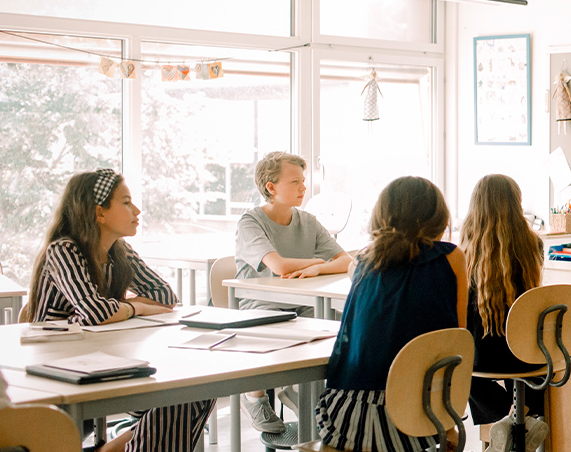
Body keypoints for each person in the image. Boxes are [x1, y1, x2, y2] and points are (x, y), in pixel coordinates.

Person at [23, 169, 212, 452]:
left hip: (106, 362)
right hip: (62, 373)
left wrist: (120, 309)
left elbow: (165, 296)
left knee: (197, 392)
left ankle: (121, 445)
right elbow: (95, 312)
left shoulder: (119, 250)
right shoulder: (63, 250)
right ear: (99, 213)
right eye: (125, 202)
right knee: (181, 398)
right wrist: (137, 307)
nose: (137, 209)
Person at [317, 176, 466, 451]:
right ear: (438, 218)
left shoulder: (362, 260)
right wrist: (449, 424)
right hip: (421, 419)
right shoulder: (452, 258)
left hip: (350, 421)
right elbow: (456, 345)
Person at [234, 151, 352, 432]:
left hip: (301, 304)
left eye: (303, 181)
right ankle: (255, 396)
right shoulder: (250, 221)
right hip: (260, 306)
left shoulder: (307, 220)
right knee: (286, 329)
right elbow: (279, 265)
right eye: (295, 182)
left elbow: (347, 261)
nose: (304, 188)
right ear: (271, 187)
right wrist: (319, 262)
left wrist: (316, 269)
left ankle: (306, 393)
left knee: (342, 327)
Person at [459, 174, 549, 449]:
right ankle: (523, 418)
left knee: (463, 371)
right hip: (525, 352)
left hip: (482, 354)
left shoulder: (465, 249)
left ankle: (505, 422)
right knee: (532, 367)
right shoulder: (532, 244)